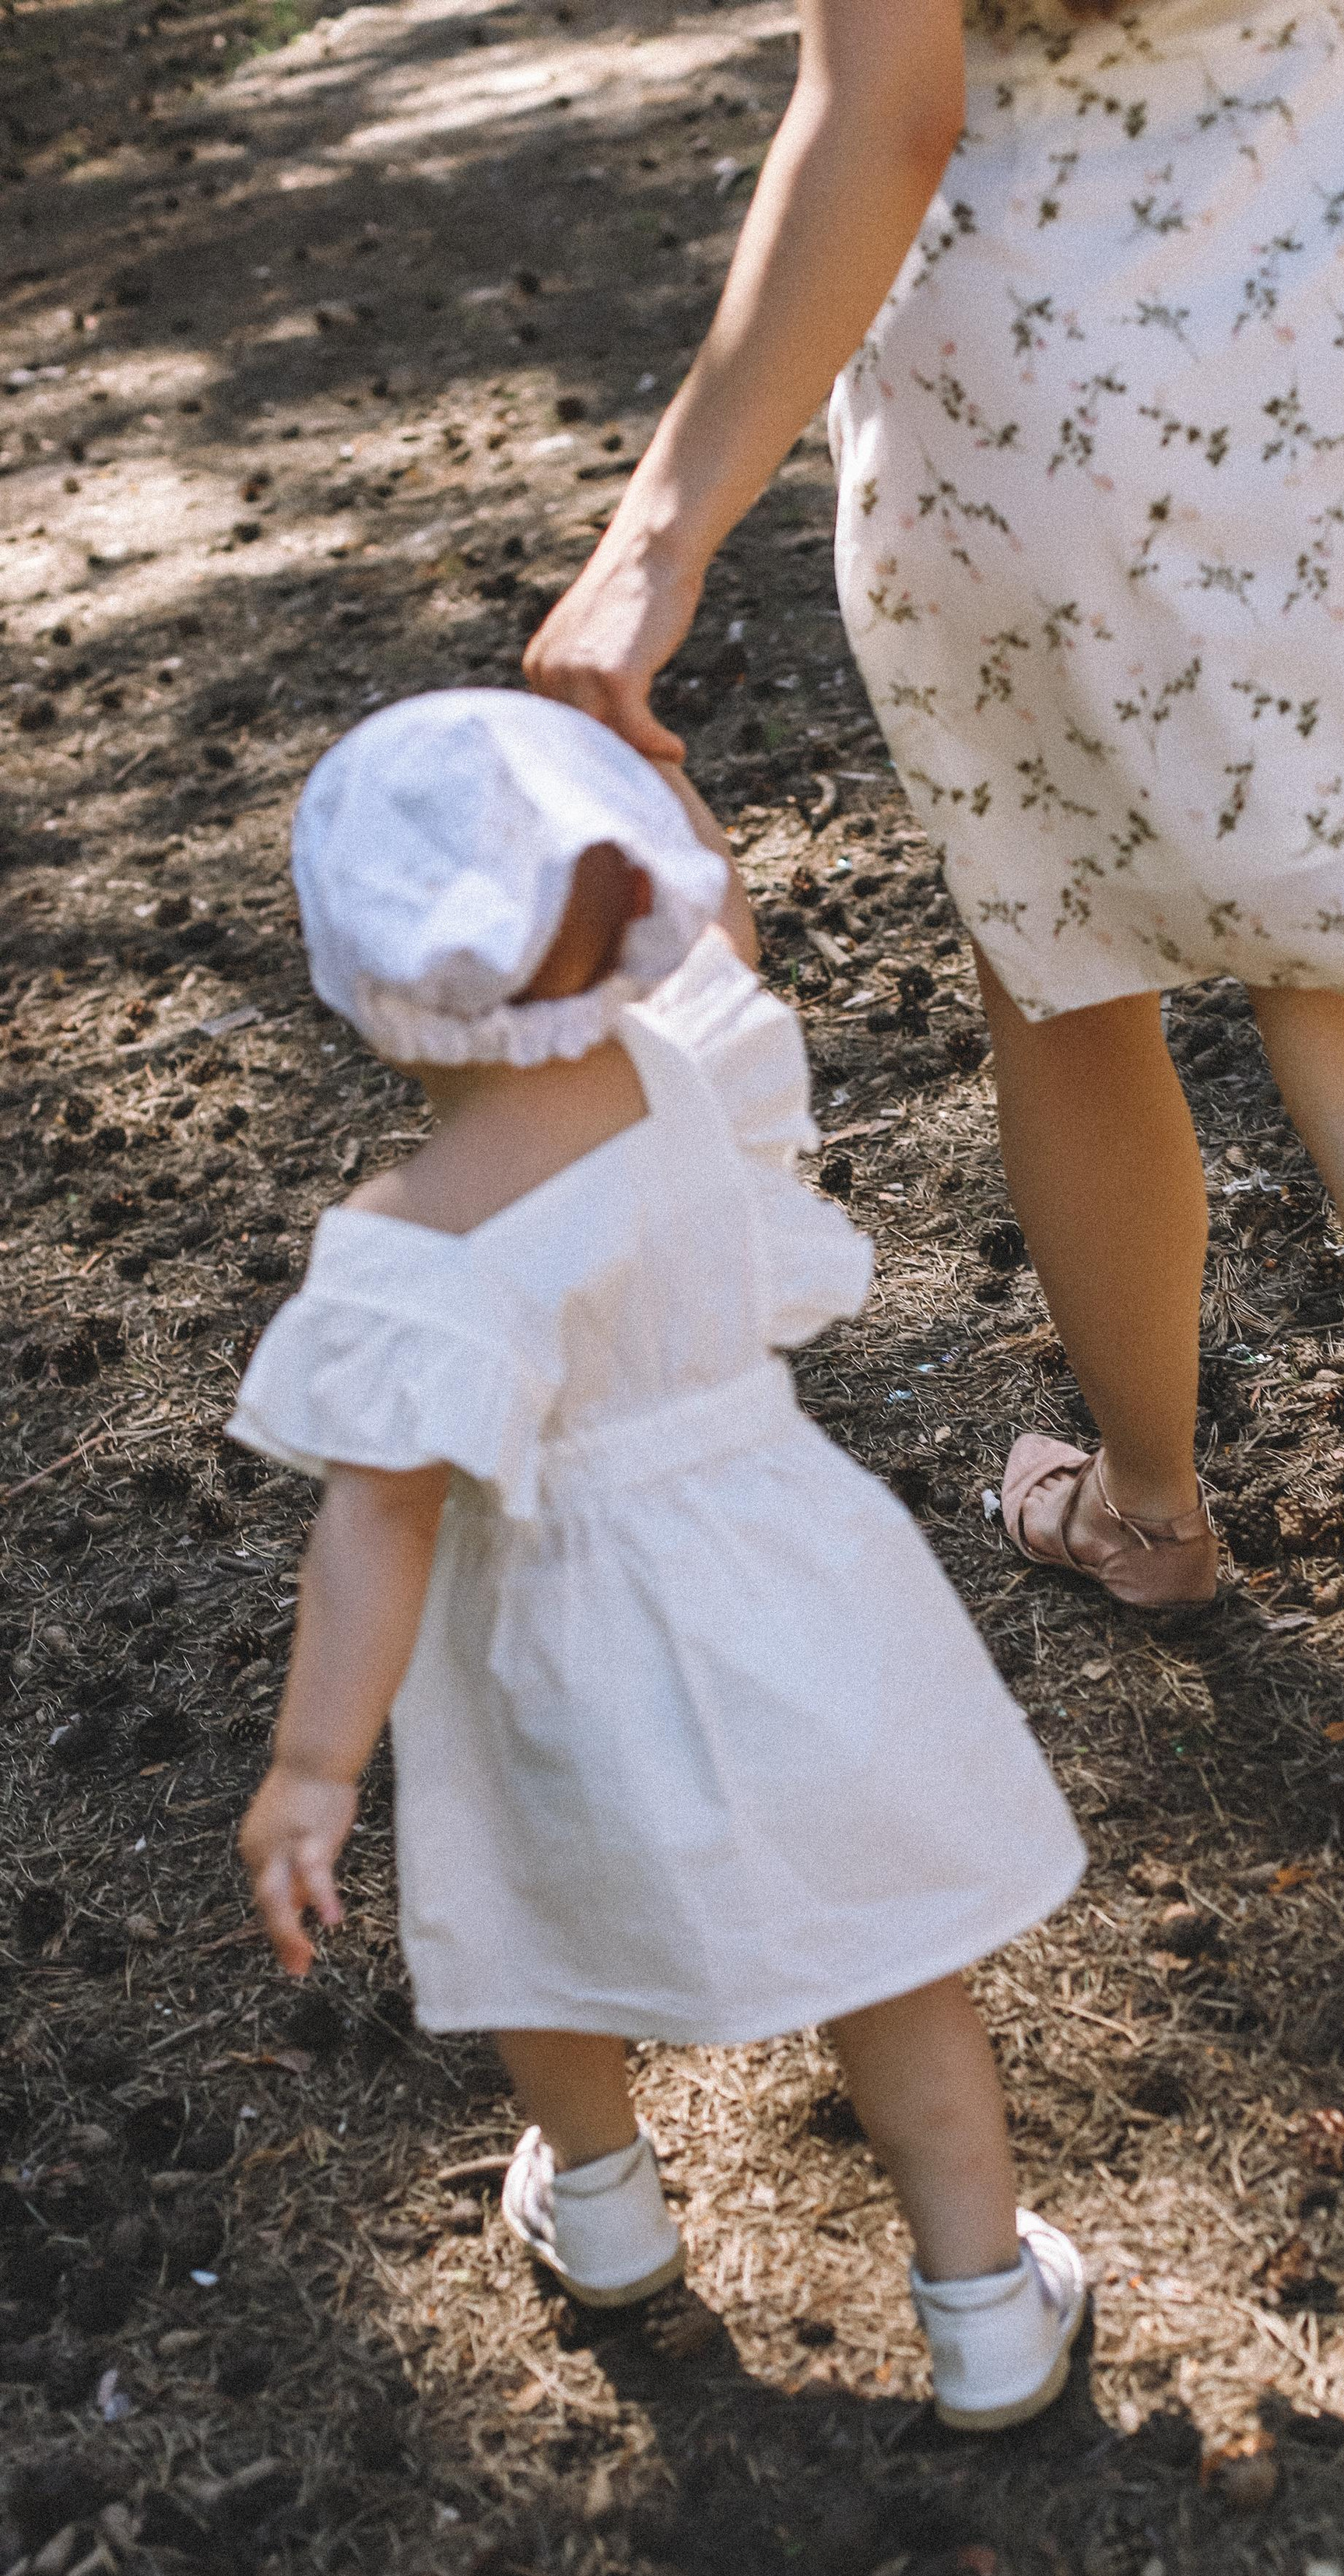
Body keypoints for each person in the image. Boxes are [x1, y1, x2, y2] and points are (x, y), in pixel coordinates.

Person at [523, 0, 1344, 1935]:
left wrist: (653, 545)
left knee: (1066, 991)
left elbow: (881, 116)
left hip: (1027, 417)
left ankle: (1146, 1511)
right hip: (1336, 324)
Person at [231, 688, 1090, 2432]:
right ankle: (986, 2307)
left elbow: (376, 1522)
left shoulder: (412, 1250)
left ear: (367, 978)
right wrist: (655, 783)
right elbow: (722, 935)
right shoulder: (686, 1066)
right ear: (633, 917)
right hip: (783, 1581)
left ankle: (608, 2214)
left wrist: (315, 1765)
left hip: (546, 1637)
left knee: (538, 1937)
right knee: (885, 1951)